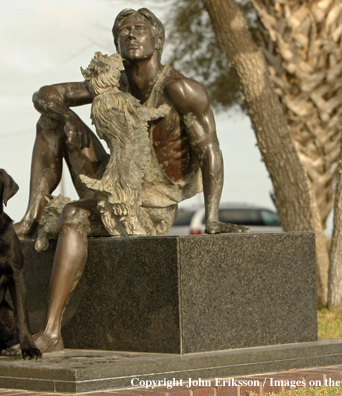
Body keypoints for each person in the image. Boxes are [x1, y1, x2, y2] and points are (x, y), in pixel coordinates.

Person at [14, 8, 248, 353]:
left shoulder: (180, 89)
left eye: (140, 29)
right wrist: (69, 118)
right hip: (111, 181)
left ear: (159, 40)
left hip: (149, 204)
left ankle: (51, 332)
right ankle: (32, 216)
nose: (131, 35)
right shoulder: (114, 82)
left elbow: (210, 150)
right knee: (50, 122)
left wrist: (211, 217)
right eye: (124, 31)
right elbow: (44, 94)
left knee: (74, 214)